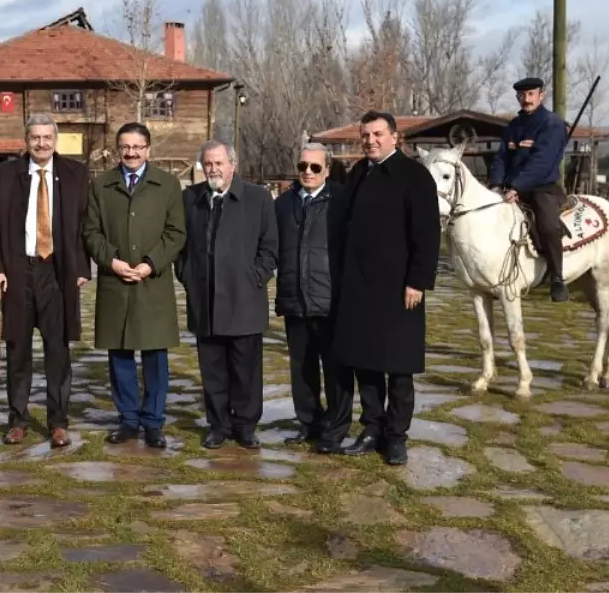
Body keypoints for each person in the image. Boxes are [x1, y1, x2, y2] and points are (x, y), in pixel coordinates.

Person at [329, 111, 441, 465]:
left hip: (399, 288)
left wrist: (418, 281)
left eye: (378, 134)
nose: (370, 141)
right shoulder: (358, 173)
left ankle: (396, 436)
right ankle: (372, 427)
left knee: (399, 366)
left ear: (395, 137)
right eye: (365, 135)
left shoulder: (414, 176)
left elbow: (427, 234)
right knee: (367, 363)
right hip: (360, 287)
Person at [0, 114, 91, 448]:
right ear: (26, 140)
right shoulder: (4, 175)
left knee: (57, 350)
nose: (41, 143)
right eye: (35, 137)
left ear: (55, 140)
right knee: (17, 349)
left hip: (58, 273)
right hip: (17, 271)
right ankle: (18, 420)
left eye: (47, 137)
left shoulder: (76, 174)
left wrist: (83, 268)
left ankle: (58, 422)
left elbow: (85, 225)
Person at [83, 123, 186, 449]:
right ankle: (128, 419)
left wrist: (151, 264)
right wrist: (111, 261)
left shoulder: (168, 184)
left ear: (148, 149)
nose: (131, 152)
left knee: (156, 356)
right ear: (117, 149)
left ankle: (154, 422)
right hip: (116, 282)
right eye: (125, 146)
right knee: (120, 356)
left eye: (137, 146)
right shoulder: (102, 185)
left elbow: (176, 233)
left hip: (152, 284)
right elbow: (91, 232)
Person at [177, 139, 278, 450]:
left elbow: (270, 247)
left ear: (232, 164)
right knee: (213, 369)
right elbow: (180, 247)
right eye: (208, 163)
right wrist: (188, 277)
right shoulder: (190, 198)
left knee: (245, 369)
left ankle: (246, 426)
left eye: (219, 162)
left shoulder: (258, 198)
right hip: (205, 300)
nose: (213, 168)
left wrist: (254, 277)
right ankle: (218, 425)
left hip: (244, 299)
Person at [274, 142, 344, 448]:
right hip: (294, 298)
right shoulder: (282, 204)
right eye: (303, 166)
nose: (308, 172)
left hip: (331, 300)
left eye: (315, 167)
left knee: (335, 369)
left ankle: (336, 428)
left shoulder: (341, 200)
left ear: (327, 169)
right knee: (301, 368)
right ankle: (309, 423)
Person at [489, 76, 570, 301]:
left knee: (547, 225)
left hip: (542, 188)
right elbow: (501, 158)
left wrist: (516, 187)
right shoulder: (514, 126)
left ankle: (557, 278)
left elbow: (541, 162)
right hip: (511, 188)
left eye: (530, 94)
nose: (526, 99)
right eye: (522, 95)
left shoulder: (552, 124)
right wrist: (496, 185)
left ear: (541, 95)